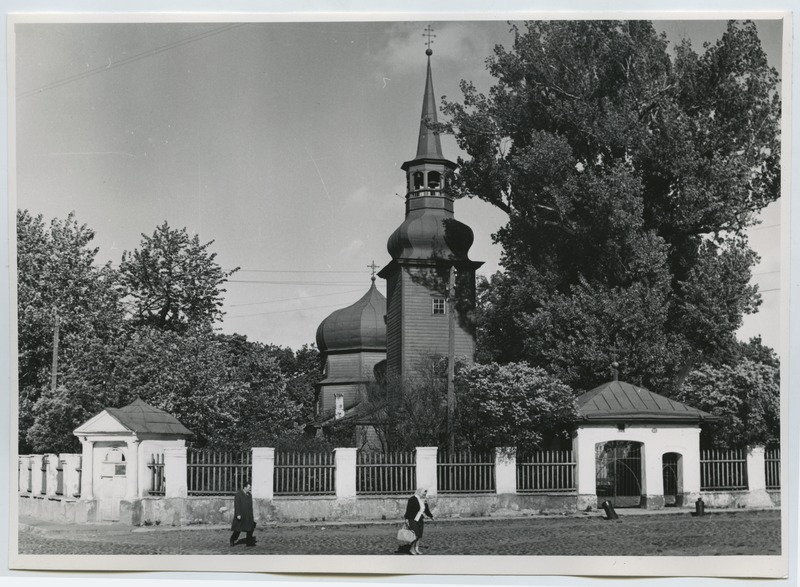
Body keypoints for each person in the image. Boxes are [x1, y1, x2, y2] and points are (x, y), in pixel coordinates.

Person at [404, 487, 434, 555]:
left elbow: (426, 510)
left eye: (425, 493)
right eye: (424, 493)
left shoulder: (424, 500)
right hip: (412, 519)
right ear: (420, 492)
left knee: (419, 535)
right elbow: (408, 510)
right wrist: (406, 519)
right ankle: (411, 549)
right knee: (415, 535)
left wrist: (431, 516)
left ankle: (416, 549)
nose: (424, 495)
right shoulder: (413, 499)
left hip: (420, 519)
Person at [230, 482, 256, 547]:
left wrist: (251, 515)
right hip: (241, 514)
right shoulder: (238, 494)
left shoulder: (249, 495)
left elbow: (250, 506)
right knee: (238, 529)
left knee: (250, 528)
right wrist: (238, 514)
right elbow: (237, 505)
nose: (250, 489)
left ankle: (249, 542)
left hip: (248, 515)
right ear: (245, 487)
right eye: (249, 487)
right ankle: (232, 539)